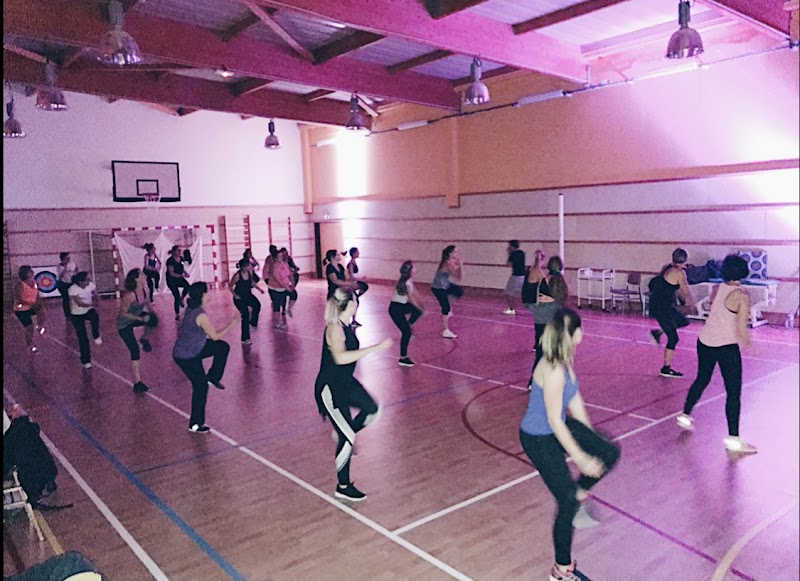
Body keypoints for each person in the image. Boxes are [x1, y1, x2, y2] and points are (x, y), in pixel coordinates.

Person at [519, 308, 621, 581]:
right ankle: (561, 571)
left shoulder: (565, 361)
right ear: (572, 334)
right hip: (538, 438)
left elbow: (575, 403)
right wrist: (580, 457)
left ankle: (580, 491)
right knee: (566, 503)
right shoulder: (552, 369)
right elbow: (554, 420)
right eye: (580, 329)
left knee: (609, 451)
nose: (583, 334)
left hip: (556, 429)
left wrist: (591, 441)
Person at [314, 287, 392, 501]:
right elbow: (340, 358)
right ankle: (343, 485)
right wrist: (374, 347)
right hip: (330, 388)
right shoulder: (335, 329)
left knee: (372, 410)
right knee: (347, 437)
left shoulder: (347, 325)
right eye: (355, 301)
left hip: (346, 383)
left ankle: (344, 432)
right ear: (349, 305)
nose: (357, 304)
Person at [677, 255, 757, 454]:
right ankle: (734, 439)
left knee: (702, 379)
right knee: (733, 392)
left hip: (705, 341)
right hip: (726, 346)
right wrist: (748, 343)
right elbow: (741, 328)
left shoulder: (717, 288)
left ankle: (685, 415)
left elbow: (713, 309)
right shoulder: (742, 295)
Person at [173, 282, 239, 433]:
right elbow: (214, 336)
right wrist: (233, 323)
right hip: (186, 356)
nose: (209, 293)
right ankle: (195, 424)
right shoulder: (200, 315)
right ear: (202, 295)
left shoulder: (194, 308)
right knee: (200, 387)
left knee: (222, 348)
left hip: (196, 347)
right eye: (207, 291)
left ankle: (213, 377)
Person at [649, 248, 696, 378]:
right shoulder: (679, 272)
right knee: (673, 338)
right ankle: (666, 368)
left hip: (664, 305)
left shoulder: (668, 268)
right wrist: (692, 304)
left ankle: (658, 332)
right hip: (661, 307)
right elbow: (685, 291)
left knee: (682, 321)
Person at [524, 254, 569, 375]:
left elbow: (531, 295)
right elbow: (562, 300)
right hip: (554, 317)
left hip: (540, 317)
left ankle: (533, 381)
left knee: (540, 352)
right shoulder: (560, 281)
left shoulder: (543, 279)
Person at [117, 269, 158, 393]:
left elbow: (147, 303)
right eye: (142, 275)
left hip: (135, 318)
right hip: (124, 324)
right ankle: (138, 383)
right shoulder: (129, 295)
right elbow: (123, 314)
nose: (145, 276)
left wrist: (152, 315)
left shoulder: (145, 290)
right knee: (134, 351)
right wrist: (140, 318)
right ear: (136, 279)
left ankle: (144, 338)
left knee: (153, 319)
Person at [389, 260, 425, 367]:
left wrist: (420, 306)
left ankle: (408, 326)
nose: (416, 268)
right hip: (396, 309)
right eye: (414, 267)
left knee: (418, 311)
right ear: (410, 270)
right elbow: (411, 298)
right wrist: (419, 306)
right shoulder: (406, 281)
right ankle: (403, 358)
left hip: (399, 306)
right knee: (406, 333)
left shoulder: (406, 280)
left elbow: (415, 294)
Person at [68, 272, 101, 369]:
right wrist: (92, 305)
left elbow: (95, 294)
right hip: (77, 314)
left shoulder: (90, 285)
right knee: (83, 338)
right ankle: (86, 360)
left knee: (95, 317)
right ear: (80, 282)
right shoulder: (73, 289)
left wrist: (96, 300)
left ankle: (96, 335)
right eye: (86, 279)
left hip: (88, 310)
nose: (88, 281)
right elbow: (79, 303)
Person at [431, 245, 464, 339]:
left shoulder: (451, 263)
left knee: (459, 291)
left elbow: (459, 278)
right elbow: (458, 276)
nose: (457, 254)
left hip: (445, 285)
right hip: (438, 288)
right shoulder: (447, 263)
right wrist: (460, 265)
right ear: (450, 254)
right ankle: (445, 330)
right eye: (455, 252)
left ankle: (448, 307)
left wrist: (460, 266)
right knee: (445, 308)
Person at [229, 258, 265, 344]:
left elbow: (252, 283)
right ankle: (245, 338)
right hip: (239, 298)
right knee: (245, 315)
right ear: (244, 267)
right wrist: (235, 295)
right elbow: (230, 285)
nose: (250, 266)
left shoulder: (250, 273)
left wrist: (260, 289)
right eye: (249, 265)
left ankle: (252, 324)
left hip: (248, 295)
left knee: (257, 305)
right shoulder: (237, 275)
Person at [14, 266, 46, 353]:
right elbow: (19, 297)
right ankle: (30, 345)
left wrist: (39, 302)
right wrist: (31, 304)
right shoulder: (20, 284)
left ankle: (40, 326)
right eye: (30, 271)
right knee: (29, 327)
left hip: (32, 305)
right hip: (21, 309)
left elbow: (37, 294)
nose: (33, 272)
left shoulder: (34, 282)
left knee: (42, 311)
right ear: (26, 273)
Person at [268, 250, 295, 329]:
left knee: (294, 295)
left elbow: (290, 274)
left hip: (284, 287)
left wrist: (292, 284)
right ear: (276, 258)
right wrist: (287, 288)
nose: (282, 257)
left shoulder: (285, 264)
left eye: (282, 256)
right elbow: (278, 280)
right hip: (275, 288)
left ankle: (289, 309)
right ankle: (278, 322)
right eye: (279, 256)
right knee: (277, 305)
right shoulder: (274, 267)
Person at [166, 245, 191, 320]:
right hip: (171, 280)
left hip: (179, 277)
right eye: (178, 250)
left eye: (180, 250)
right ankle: (177, 314)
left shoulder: (181, 259)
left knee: (188, 286)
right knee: (176, 296)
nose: (180, 251)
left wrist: (185, 273)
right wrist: (182, 275)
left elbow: (181, 268)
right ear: (174, 252)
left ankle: (182, 298)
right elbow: (171, 273)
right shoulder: (170, 261)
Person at [346, 247, 370, 327]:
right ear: (353, 253)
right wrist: (361, 279)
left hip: (354, 284)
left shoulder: (354, 262)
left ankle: (353, 320)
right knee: (354, 302)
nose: (359, 253)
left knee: (356, 302)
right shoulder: (351, 264)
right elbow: (351, 277)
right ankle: (350, 320)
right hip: (351, 284)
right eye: (357, 252)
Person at [504, 240, 526, 315]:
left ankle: (511, 308)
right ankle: (513, 308)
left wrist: (509, 254)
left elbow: (508, 264)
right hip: (523, 275)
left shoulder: (513, 254)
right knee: (518, 293)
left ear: (512, 246)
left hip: (516, 275)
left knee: (508, 292)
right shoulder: (522, 253)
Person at [56, 252, 77, 320]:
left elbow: (76, 270)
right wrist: (65, 268)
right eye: (67, 257)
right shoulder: (60, 266)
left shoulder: (72, 264)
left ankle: (74, 312)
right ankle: (67, 314)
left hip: (71, 282)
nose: (69, 258)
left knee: (73, 298)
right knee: (66, 299)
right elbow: (60, 276)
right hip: (64, 284)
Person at [280, 247, 299, 318]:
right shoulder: (278, 264)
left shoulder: (288, 260)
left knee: (293, 294)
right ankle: (283, 309)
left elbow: (292, 267)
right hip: (280, 284)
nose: (285, 255)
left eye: (286, 253)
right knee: (283, 296)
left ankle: (289, 308)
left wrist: (294, 269)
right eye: (284, 254)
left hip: (287, 282)